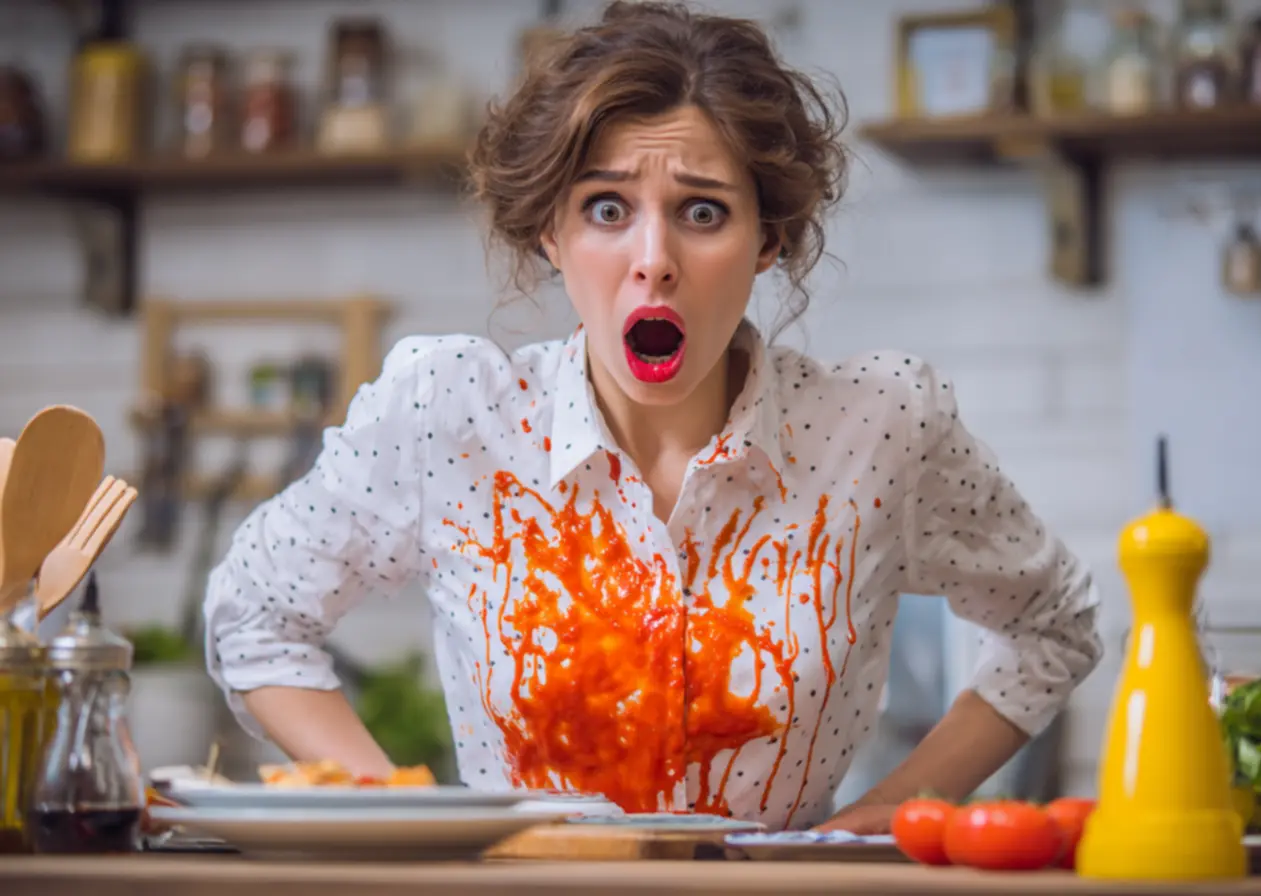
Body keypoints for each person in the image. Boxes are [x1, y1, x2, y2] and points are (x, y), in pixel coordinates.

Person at [202, 0, 1102, 833]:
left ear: (768, 239)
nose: (654, 260)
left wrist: (879, 822)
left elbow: (1052, 624)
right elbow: (252, 617)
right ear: (551, 235)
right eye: (606, 209)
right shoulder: (450, 413)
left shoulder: (879, 427)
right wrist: (406, 820)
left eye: (702, 212)